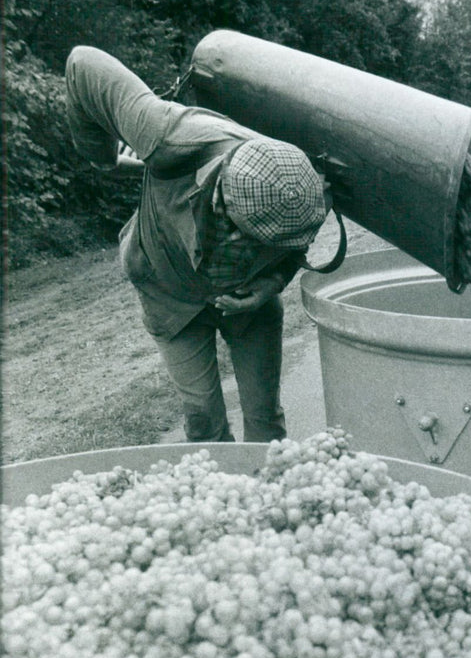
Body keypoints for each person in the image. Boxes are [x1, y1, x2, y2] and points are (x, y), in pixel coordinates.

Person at [65, 45, 336, 443]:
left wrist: (272, 282)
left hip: (250, 303)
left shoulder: (301, 182)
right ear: (224, 203)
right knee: (202, 423)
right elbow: (82, 63)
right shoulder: (164, 131)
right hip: (170, 298)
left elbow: (299, 242)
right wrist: (103, 158)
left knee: (265, 419)